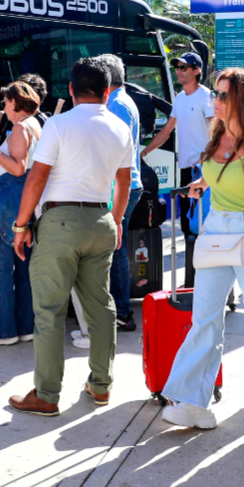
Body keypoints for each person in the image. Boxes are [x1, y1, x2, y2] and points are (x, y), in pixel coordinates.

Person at [161, 68, 244, 429]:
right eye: (215, 94)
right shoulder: (218, 134)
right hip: (216, 229)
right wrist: (203, 183)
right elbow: (219, 169)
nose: (215, 101)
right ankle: (192, 400)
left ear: (242, 99)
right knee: (204, 318)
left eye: (222, 95)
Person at [8, 57, 134, 416]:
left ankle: (46, 395)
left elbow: (37, 178)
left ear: (71, 90)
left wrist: (21, 226)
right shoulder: (120, 128)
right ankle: (101, 387)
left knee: (49, 310)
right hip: (101, 219)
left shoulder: (59, 124)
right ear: (107, 91)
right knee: (101, 308)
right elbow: (123, 182)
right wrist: (118, 220)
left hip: (60, 222)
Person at [0, 81, 42, 345]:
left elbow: (17, 168)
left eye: (6, 102)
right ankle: (26, 326)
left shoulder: (18, 129)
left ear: (15, 103)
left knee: (0, 268)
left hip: (11, 200)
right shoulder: (35, 125)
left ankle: (2, 330)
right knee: (23, 267)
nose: (3, 106)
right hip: (27, 200)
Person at [141, 52, 213, 284]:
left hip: (203, 171)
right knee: (186, 225)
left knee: (202, 225)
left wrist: (208, 156)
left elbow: (216, 130)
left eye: (184, 67)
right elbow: (165, 132)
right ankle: (193, 279)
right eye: (178, 67)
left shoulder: (206, 97)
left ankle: (206, 278)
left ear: (197, 71)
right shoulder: (180, 99)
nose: (179, 70)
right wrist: (143, 152)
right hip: (185, 170)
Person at [97, 54, 142, 332]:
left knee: (114, 250)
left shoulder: (116, 105)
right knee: (115, 248)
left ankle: (122, 312)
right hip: (125, 183)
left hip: (121, 185)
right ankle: (121, 310)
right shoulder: (124, 100)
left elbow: (114, 151)